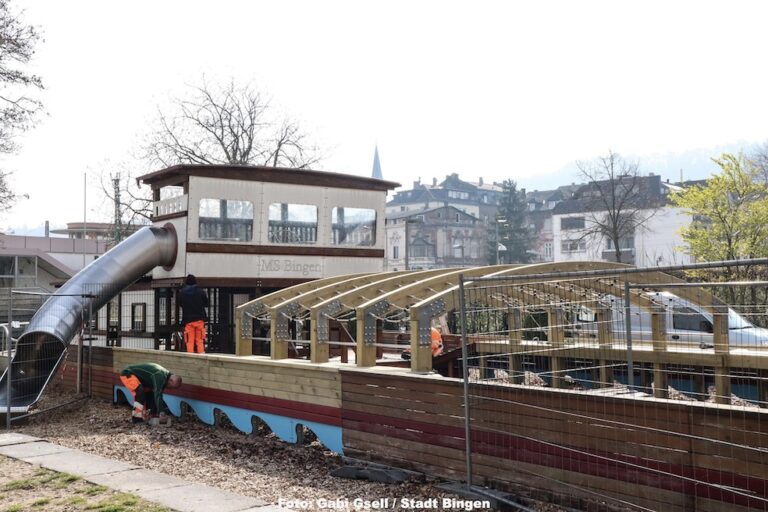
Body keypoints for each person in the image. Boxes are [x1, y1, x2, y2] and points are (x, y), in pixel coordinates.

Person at [179, 274, 209, 354]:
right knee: (199, 340)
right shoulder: (201, 291)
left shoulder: (182, 292)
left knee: (189, 340)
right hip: (199, 320)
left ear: (186, 282)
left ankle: (190, 356)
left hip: (188, 320)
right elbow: (206, 303)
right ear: (195, 281)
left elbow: (181, 304)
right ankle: (201, 355)